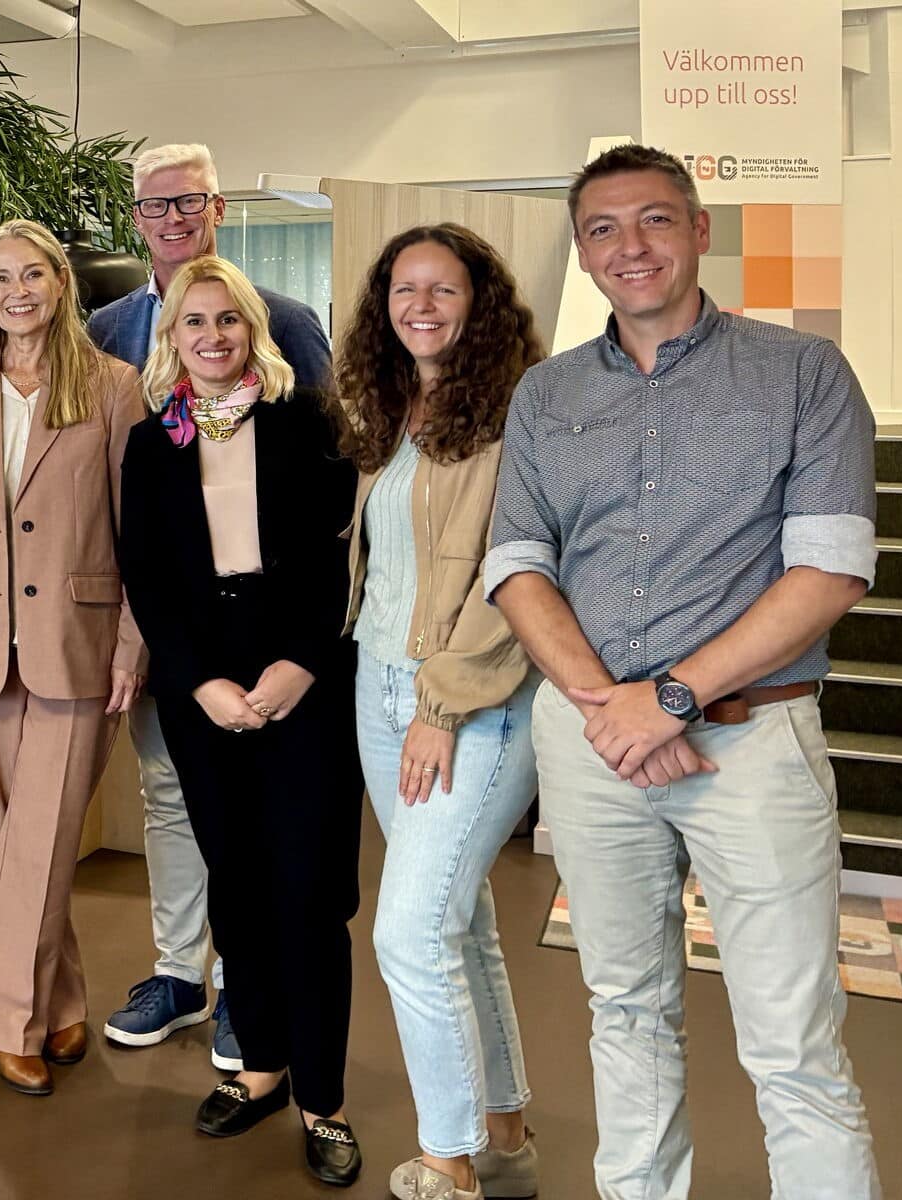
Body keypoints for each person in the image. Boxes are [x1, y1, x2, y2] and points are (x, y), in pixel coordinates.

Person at [487, 143, 881, 1199]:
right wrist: (609, 712)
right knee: (621, 1010)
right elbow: (515, 565)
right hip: (592, 747)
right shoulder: (545, 395)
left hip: (750, 746)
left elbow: (830, 565)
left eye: (655, 220)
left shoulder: (801, 373)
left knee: (790, 1043)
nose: (630, 246)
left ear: (700, 231)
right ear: (581, 252)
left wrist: (667, 701)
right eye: (603, 229)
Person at [116, 255, 363, 1187]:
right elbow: (148, 574)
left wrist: (300, 664)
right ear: (171, 340)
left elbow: (339, 557)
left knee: (310, 893)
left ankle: (323, 1099)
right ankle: (260, 1067)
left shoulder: (307, 422)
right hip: (204, 686)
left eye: (227, 321)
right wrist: (198, 681)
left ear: (252, 328)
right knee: (238, 884)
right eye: (193, 324)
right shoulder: (154, 442)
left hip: (303, 673)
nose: (213, 338)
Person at [86, 142, 331, 1067]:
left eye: (190, 201)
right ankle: (180, 974)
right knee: (170, 796)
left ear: (217, 207)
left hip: (275, 637)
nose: (174, 217)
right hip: (167, 624)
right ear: (136, 217)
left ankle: (244, 984)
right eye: (157, 205)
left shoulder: (290, 323)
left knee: (262, 812)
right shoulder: (108, 329)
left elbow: (321, 491)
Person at [332, 224, 546, 1200]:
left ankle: (449, 1162)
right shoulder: (393, 404)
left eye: (442, 289)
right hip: (375, 683)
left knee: (407, 934)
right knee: (458, 928)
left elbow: (519, 577)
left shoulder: (521, 413)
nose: (419, 306)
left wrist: (441, 703)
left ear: (479, 301)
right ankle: (503, 1131)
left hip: (466, 698)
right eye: (402, 290)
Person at [0, 220, 145, 1097]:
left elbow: (139, 528)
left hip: (77, 640)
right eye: (0, 277)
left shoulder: (113, 386)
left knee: (43, 833)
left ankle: (0, 1017)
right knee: (27, 839)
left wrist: (133, 636)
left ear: (60, 284)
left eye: (33, 275)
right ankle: (57, 1001)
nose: (17, 291)